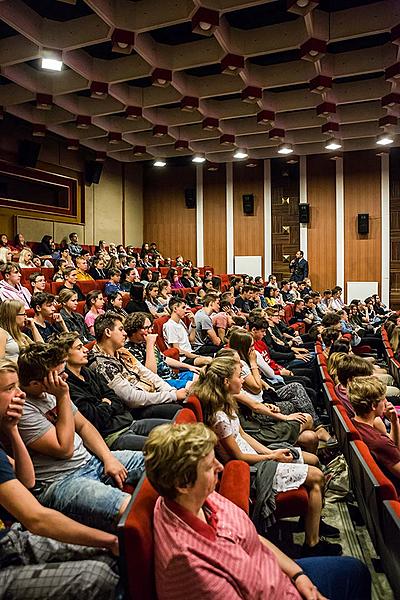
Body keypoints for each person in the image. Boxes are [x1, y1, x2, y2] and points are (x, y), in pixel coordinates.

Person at [144, 422, 370, 600]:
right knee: (354, 574)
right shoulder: (191, 566)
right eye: (209, 466)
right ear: (183, 483)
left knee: (356, 570)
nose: (220, 467)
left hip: (281, 577)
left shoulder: (199, 496)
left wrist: (297, 575)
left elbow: (254, 539)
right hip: (277, 591)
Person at [191, 356, 342, 556]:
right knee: (317, 476)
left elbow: (243, 436)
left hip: (257, 455)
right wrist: (271, 457)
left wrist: (270, 452)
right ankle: (312, 544)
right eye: (239, 376)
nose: (243, 380)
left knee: (314, 459)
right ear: (226, 382)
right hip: (252, 469)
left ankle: (310, 521)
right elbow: (239, 457)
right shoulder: (218, 416)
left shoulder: (226, 404)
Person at [0, 359, 122, 599]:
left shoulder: (8, 426)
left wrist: (12, 430)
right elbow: (36, 518)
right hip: (11, 545)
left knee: (112, 560)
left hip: (10, 539)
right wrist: (109, 540)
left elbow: (27, 482)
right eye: (9, 389)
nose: (19, 394)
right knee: (97, 575)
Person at [17, 343, 145, 532]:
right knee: (130, 508)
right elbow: (64, 448)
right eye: (59, 375)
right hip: (61, 481)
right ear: (35, 383)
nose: (65, 377)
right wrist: (63, 396)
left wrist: (108, 458)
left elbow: (84, 426)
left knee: (166, 460)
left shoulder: (51, 392)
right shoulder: (24, 408)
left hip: (91, 461)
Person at [54, 331, 169, 451]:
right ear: (65, 355)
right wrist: (106, 403)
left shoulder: (87, 372)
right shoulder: (67, 385)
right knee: (165, 448)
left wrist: (104, 405)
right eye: (79, 348)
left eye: (83, 346)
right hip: (112, 436)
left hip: (127, 422)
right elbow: (95, 419)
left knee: (176, 429)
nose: (85, 350)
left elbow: (115, 399)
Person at [88, 312, 187, 420]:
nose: (125, 333)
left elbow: (147, 373)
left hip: (150, 394)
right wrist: (172, 396)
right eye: (121, 329)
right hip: (135, 410)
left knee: (186, 399)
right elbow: (132, 398)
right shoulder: (101, 364)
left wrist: (170, 391)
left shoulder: (122, 351)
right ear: (107, 332)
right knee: (180, 411)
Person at [349, 376, 400, 496]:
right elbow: (391, 450)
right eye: (383, 399)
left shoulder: (355, 423)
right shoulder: (378, 442)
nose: (387, 402)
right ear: (373, 406)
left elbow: (391, 450)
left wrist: (394, 422)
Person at [124, 312, 197, 389]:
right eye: (146, 328)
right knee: (197, 386)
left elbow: (163, 359)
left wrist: (189, 367)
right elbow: (151, 375)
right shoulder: (129, 349)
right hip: (161, 383)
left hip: (173, 376)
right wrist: (150, 345)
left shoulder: (144, 341)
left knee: (201, 377)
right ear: (134, 330)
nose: (150, 331)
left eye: (150, 327)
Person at [163, 297, 211, 367]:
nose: (185, 311)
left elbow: (191, 340)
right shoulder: (170, 326)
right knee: (209, 360)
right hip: (183, 359)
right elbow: (178, 350)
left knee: (220, 355)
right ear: (175, 308)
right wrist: (196, 356)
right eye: (183, 308)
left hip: (190, 353)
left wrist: (194, 323)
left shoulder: (180, 322)